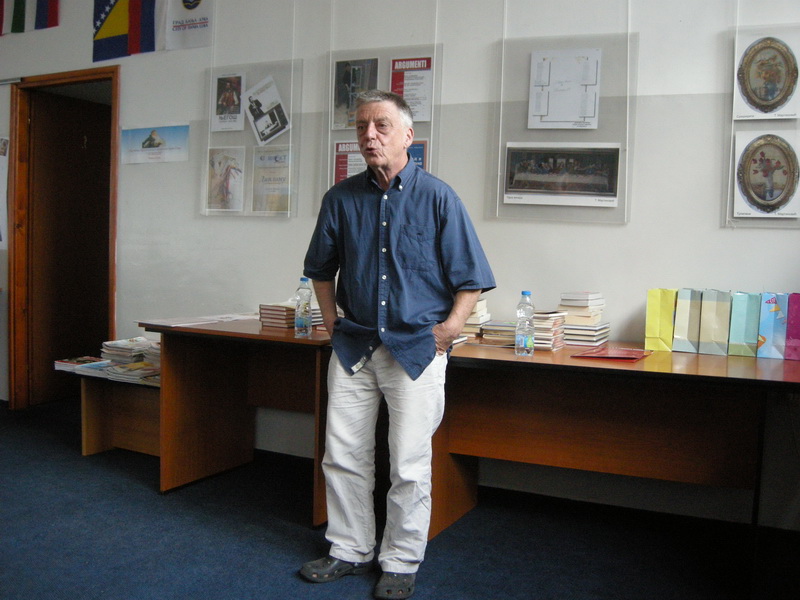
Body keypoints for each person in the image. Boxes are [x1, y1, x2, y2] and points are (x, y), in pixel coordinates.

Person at [300, 90, 495, 599]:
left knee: (408, 462)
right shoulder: (340, 199)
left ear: (408, 135)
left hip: (416, 349)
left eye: (382, 125)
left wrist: (448, 331)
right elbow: (320, 270)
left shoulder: (439, 198)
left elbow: (471, 279)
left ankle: (402, 560)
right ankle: (349, 548)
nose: (369, 135)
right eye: (362, 126)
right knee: (343, 454)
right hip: (354, 347)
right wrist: (331, 322)